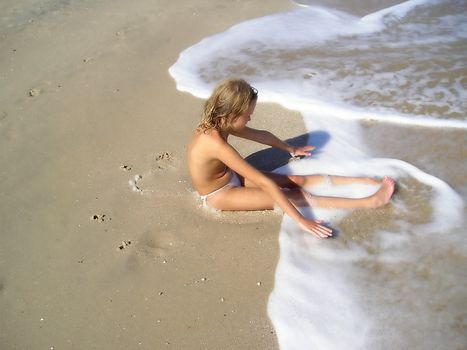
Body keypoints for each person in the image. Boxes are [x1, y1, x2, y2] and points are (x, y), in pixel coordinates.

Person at [187, 79, 395, 238]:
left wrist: (291, 149)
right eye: (247, 114)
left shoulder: (221, 122)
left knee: (299, 181)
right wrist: (302, 221)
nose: (250, 118)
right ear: (231, 114)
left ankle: (366, 181)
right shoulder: (214, 143)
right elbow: (263, 182)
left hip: (228, 176)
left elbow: (261, 135)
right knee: (294, 196)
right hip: (220, 194)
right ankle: (370, 201)